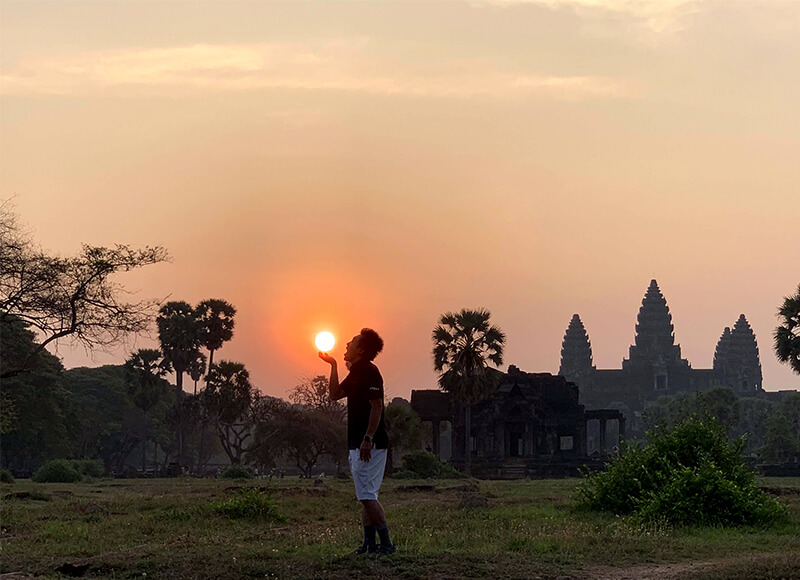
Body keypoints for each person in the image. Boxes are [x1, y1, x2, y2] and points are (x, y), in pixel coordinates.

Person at [319, 328, 394, 556]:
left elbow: (377, 407)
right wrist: (333, 365)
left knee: (367, 496)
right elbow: (334, 394)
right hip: (358, 443)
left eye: (351, 342)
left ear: (361, 349)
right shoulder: (357, 372)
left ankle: (386, 545)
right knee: (366, 494)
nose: (346, 345)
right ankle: (369, 545)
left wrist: (368, 439)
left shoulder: (370, 371)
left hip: (369, 444)